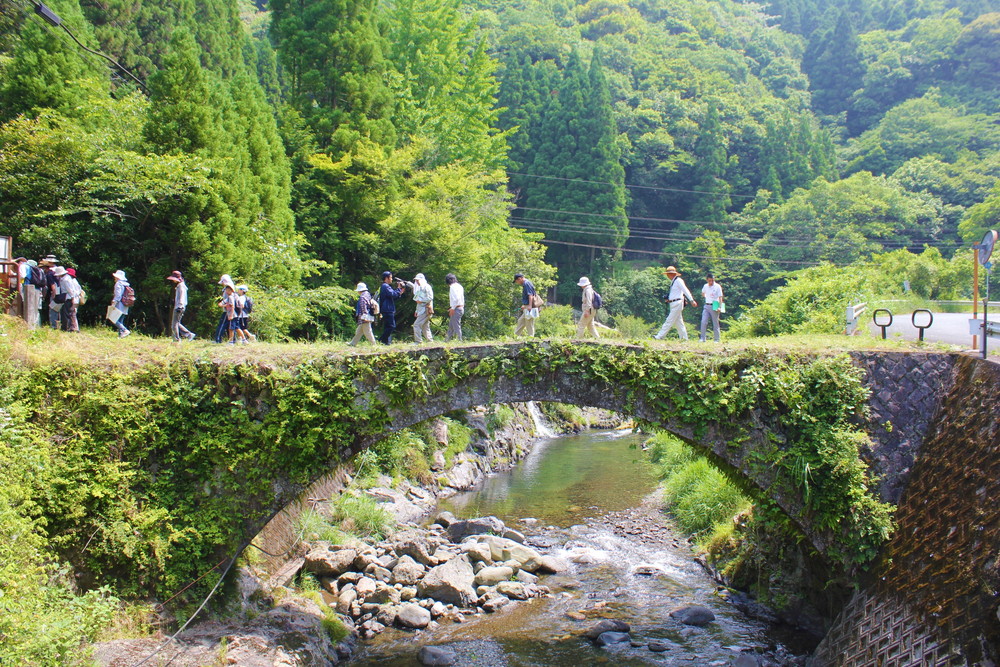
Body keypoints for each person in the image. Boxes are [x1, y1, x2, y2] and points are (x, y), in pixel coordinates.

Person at [654, 266, 696, 340]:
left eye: (668, 274)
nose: (667, 275)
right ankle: (684, 338)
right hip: (673, 303)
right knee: (679, 323)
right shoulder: (673, 281)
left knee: (669, 320)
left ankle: (660, 336)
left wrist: (691, 300)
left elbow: (685, 290)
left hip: (677, 303)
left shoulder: (678, 280)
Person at [167, 271, 196, 341]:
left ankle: (176, 339)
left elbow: (182, 297)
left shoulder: (181, 286)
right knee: (177, 323)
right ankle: (189, 335)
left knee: (174, 324)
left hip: (179, 307)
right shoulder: (180, 285)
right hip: (179, 306)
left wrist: (180, 305)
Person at [378, 271, 405, 345]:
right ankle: (381, 340)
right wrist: (399, 288)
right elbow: (393, 294)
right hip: (387, 309)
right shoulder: (385, 286)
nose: (392, 279)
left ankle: (386, 342)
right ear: (386, 278)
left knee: (387, 326)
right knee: (391, 326)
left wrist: (400, 292)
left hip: (387, 308)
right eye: (391, 277)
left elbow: (393, 296)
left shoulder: (385, 286)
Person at [409, 273, 434, 343]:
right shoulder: (420, 288)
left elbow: (430, 297)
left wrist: (421, 301)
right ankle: (430, 341)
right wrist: (416, 310)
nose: (417, 282)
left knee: (416, 325)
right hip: (421, 310)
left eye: (418, 280)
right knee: (425, 326)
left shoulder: (427, 287)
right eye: (416, 280)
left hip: (426, 310)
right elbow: (417, 301)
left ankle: (418, 341)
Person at [699, 273, 724, 343]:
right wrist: (707, 296)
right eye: (709, 280)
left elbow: (720, 297)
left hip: (715, 304)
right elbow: (703, 293)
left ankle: (716, 339)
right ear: (707, 280)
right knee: (703, 321)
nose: (711, 282)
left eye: (712, 280)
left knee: (715, 322)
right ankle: (702, 338)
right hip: (707, 305)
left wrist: (720, 307)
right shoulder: (705, 286)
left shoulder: (717, 286)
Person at [54, 266, 79, 332]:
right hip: (67, 297)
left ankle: (67, 328)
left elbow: (70, 289)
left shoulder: (66, 280)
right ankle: (67, 327)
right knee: (66, 313)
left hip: (68, 298)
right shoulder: (65, 278)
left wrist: (73, 298)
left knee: (66, 314)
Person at [41, 255, 62, 330]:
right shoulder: (58, 270)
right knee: (59, 310)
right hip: (61, 292)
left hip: (54, 292)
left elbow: (53, 285)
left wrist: (54, 295)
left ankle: (54, 326)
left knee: (53, 309)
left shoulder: (50, 273)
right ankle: (60, 325)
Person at [110, 269, 131, 338]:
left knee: (114, 319)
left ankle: (124, 330)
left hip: (119, 304)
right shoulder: (126, 284)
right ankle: (121, 335)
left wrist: (114, 302)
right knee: (121, 320)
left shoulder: (118, 284)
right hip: (126, 304)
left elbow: (118, 295)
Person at [214, 274, 235, 343]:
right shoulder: (232, 287)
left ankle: (218, 339)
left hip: (227, 311)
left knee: (222, 325)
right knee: (230, 326)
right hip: (230, 311)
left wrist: (223, 305)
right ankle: (232, 340)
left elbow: (227, 301)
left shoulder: (228, 289)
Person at [445, 273, 464, 341]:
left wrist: (452, 308)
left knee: (456, 326)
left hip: (456, 308)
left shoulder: (453, 287)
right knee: (451, 325)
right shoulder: (459, 286)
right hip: (460, 307)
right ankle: (447, 340)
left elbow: (456, 299)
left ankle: (459, 340)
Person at [22, 259, 41, 328]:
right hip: (37, 289)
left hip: (28, 289)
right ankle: (36, 325)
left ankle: (30, 326)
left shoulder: (24, 266)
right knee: (35, 308)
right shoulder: (35, 269)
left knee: (29, 307)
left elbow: (22, 276)